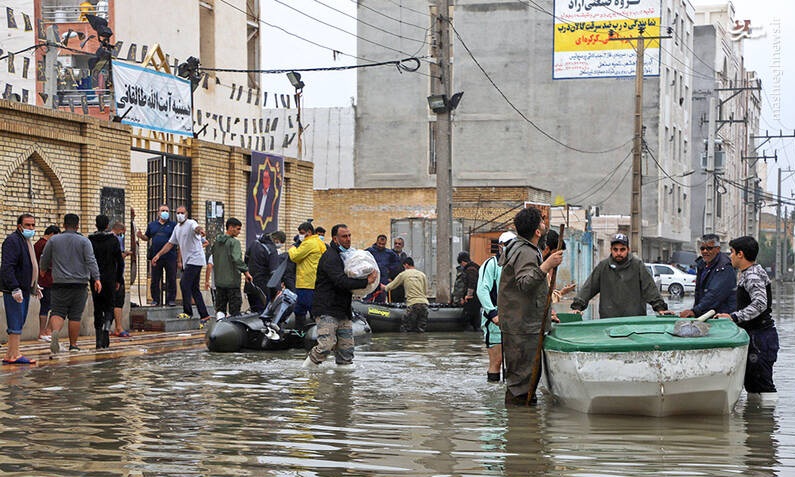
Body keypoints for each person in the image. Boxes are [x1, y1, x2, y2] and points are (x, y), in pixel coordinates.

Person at [498, 208, 563, 405]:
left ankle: (523, 424)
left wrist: (546, 311)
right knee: (522, 383)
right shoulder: (525, 251)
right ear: (537, 231)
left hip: (523, 323)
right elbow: (526, 284)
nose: (545, 225)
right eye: (542, 222)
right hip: (522, 327)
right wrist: (547, 265)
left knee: (524, 379)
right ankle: (520, 426)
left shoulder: (520, 247)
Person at [303, 224, 377, 367]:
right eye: (344, 236)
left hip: (343, 310)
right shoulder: (330, 257)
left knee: (346, 351)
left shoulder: (346, 256)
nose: (348, 239)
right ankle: (305, 373)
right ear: (335, 239)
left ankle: (343, 384)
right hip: (327, 309)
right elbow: (341, 281)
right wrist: (366, 281)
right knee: (325, 346)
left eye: (349, 236)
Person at [716, 236, 779, 398]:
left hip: (761, 338)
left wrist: (735, 317)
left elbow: (760, 303)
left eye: (731, 252)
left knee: (762, 386)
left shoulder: (752, 276)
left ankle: (766, 420)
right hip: (758, 336)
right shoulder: (750, 273)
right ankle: (755, 420)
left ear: (740, 254)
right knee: (753, 384)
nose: (729, 256)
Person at [40, 213, 101, 354]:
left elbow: (45, 257)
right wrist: (96, 278)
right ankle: (73, 345)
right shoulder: (84, 241)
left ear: (63, 225)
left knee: (57, 312)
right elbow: (91, 260)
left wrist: (43, 270)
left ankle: (55, 332)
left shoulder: (54, 240)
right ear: (77, 225)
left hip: (59, 283)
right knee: (75, 315)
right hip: (79, 285)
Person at [570, 233, 670, 318]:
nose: (618, 253)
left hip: (635, 321)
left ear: (628, 249)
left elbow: (650, 289)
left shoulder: (638, 266)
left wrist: (660, 308)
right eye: (615, 249)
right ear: (611, 250)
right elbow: (589, 287)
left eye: (622, 250)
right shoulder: (603, 267)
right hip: (609, 321)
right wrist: (577, 307)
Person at [151, 206, 210, 323]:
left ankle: (188, 312)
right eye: (178, 213)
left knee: (184, 283)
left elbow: (197, 228)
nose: (180, 215)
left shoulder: (191, 223)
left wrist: (201, 230)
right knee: (194, 288)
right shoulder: (177, 228)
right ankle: (204, 315)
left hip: (196, 259)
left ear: (186, 214)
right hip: (189, 261)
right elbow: (170, 244)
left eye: (182, 213)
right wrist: (158, 255)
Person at [1, 214, 41, 364]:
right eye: (28, 225)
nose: (31, 228)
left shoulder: (25, 241)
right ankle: (14, 354)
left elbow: (29, 265)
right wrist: (14, 287)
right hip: (15, 289)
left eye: (33, 225)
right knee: (16, 321)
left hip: (24, 288)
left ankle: (11, 354)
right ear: (20, 226)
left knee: (18, 321)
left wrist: (34, 285)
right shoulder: (13, 241)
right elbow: (7, 267)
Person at [477, 231, 516, 382]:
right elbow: (482, 290)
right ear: (500, 247)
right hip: (495, 320)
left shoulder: (518, 265)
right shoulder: (491, 264)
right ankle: (493, 394)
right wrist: (493, 314)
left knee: (513, 363)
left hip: (514, 319)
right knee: (497, 360)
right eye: (508, 245)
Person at [679, 234, 736, 319]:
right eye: (702, 248)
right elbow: (698, 292)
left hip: (721, 318)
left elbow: (714, 294)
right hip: (706, 315)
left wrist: (695, 311)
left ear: (718, 249)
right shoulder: (702, 264)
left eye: (709, 248)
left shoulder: (724, 266)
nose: (705, 251)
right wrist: (695, 312)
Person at [88, 215, 124, 349]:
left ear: (96, 224)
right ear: (107, 225)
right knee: (110, 305)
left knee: (97, 307)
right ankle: (106, 329)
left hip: (95, 278)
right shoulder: (113, 241)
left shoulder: (90, 240)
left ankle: (98, 338)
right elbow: (119, 262)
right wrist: (119, 279)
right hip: (110, 278)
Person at [287, 221, 326, 329]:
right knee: (305, 308)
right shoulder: (318, 242)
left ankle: (301, 332)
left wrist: (292, 248)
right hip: (314, 281)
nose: (300, 235)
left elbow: (295, 256)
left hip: (306, 282)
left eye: (302, 233)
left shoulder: (309, 243)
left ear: (309, 232)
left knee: (302, 308)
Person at [211, 218, 253, 316]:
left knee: (220, 309)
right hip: (232, 282)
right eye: (238, 229)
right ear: (230, 228)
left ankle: (220, 328)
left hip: (219, 281)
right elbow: (237, 259)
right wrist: (246, 272)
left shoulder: (216, 242)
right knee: (235, 310)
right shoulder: (234, 242)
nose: (239, 232)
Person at [137, 204, 176, 306]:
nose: (165, 213)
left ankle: (171, 300)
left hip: (170, 256)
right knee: (155, 279)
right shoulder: (152, 225)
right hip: (156, 257)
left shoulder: (173, 225)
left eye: (167, 211)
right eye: (163, 210)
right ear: (158, 213)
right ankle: (155, 299)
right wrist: (141, 236)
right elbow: (147, 237)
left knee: (171, 278)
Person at [383, 257, 429, 332]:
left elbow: (392, 285)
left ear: (406, 265)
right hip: (424, 304)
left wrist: (384, 288)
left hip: (413, 304)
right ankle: (422, 342)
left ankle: (406, 342)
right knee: (421, 329)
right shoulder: (422, 275)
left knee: (406, 328)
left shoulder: (404, 274)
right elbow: (425, 290)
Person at [34, 224, 60, 342]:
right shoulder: (46, 245)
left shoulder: (37, 244)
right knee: (50, 306)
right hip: (48, 280)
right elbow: (49, 262)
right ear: (52, 235)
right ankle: (44, 331)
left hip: (41, 279)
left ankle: (43, 332)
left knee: (45, 305)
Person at [245, 231, 279, 313]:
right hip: (263, 287)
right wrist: (277, 290)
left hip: (250, 285)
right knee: (262, 313)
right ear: (276, 240)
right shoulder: (272, 250)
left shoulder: (253, 244)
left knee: (253, 313)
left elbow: (245, 260)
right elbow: (274, 272)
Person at [110, 222, 132, 337]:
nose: (123, 236)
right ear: (119, 231)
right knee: (118, 302)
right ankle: (118, 327)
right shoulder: (116, 240)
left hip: (107, 275)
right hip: (116, 275)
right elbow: (117, 257)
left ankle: (107, 327)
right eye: (123, 233)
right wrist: (126, 254)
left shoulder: (106, 239)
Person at [457, 251, 481, 331]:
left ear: (463, 262)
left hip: (473, 298)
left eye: (461, 263)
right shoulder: (475, 267)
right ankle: (474, 337)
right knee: (475, 318)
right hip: (476, 297)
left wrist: (468, 295)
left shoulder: (471, 269)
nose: (461, 265)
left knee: (466, 318)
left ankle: (467, 337)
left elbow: (471, 283)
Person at [388, 237, 408, 302]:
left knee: (401, 299)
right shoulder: (390, 254)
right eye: (395, 243)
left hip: (401, 282)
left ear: (402, 245)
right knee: (392, 301)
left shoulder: (404, 255)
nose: (397, 245)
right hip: (392, 281)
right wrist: (388, 277)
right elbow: (386, 266)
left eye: (399, 244)